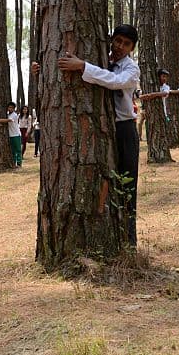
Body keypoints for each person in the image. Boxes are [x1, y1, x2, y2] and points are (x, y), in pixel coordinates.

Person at [51, 24, 142, 247]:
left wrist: (82, 66)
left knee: (127, 183)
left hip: (124, 130)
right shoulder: (100, 59)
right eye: (117, 40)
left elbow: (115, 82)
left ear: (132, 48)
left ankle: (128, 240)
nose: (120, 46)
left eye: (126, 44)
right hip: (99, 128)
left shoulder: (131, 69)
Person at [0, 102, 23, 167]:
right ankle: (13, 163)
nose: (10, 109)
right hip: (10, 135)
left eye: (12, 108)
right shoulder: (7, 114)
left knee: (18, 149)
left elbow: (8, 120)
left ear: (14, 109)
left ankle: (19, 163)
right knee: (12, 150)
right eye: (9, 107)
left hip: (16, 134)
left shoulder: (14, 115)